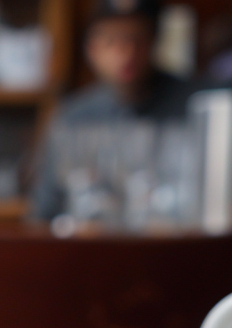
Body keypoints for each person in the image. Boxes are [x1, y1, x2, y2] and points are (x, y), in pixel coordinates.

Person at [29, 0, 194, 221]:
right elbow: (43, 212)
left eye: (136, 39)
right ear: (92, 49)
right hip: (92, 251)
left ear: (154, 42)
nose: (125, 52)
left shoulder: (192, 105)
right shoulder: (72, 118)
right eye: (111, 41)